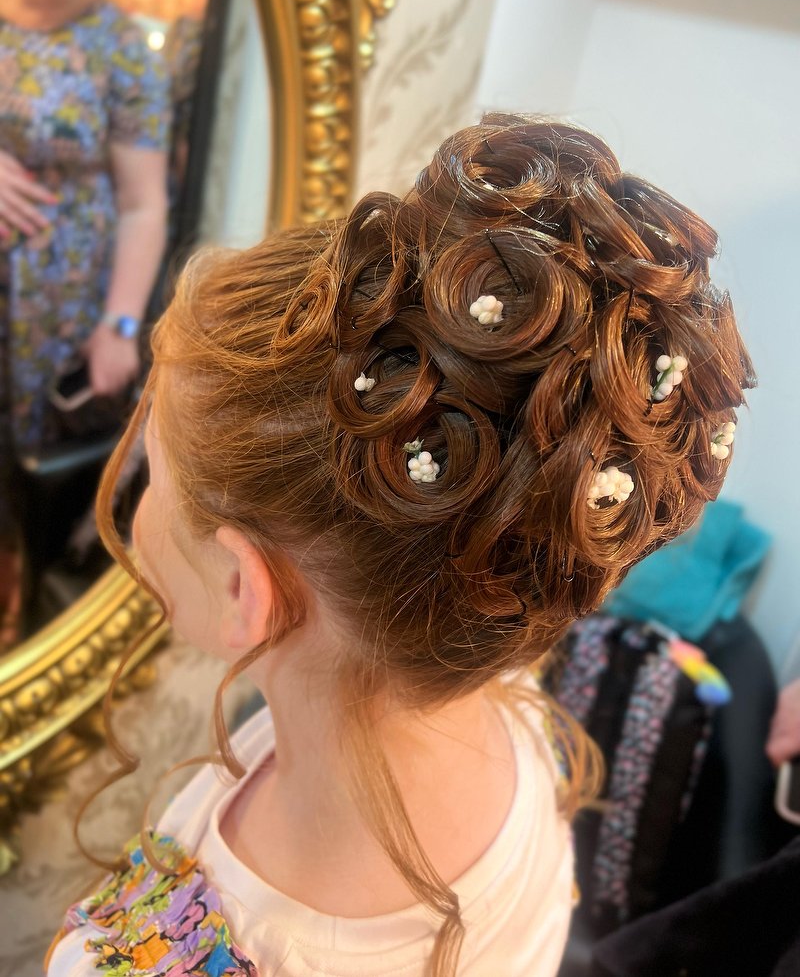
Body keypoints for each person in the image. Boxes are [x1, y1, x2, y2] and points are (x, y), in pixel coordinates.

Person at [46, 115, 752, 977]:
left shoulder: (129, 962)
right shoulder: (507, 718)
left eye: (153, 475)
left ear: (241, 586)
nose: (139, 505)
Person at [0, 0, 170, 644]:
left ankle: (23, 617)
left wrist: (120, 325)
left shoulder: (123, 52)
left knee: (35, 483)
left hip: (59, 320)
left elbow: (143, 205)